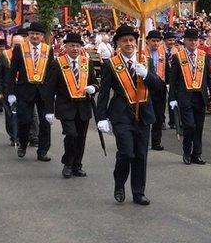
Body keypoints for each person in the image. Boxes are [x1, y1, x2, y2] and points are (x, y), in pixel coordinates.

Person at [95, 25, 165, 205]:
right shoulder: (111, 64)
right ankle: (119, 184)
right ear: (118, 43)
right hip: (121, 114)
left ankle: (138, 192)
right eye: (124, 40)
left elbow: (158, 86)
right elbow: (103, 93)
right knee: (126, 153)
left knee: (141, 155)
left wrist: (146, 74)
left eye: (131, 40)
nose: (129, 43)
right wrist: (101, 117)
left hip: (144, 114)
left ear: (136, 42)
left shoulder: (146, 61)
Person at [44, 32, 98, 179]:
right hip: (65, 106)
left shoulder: (87, 62)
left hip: (83, 107)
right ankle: (68, 163)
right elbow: (50, 88)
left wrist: (93, 88)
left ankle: (77, 165)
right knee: (71, 135)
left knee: (81, 138)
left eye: (77, 45)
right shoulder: (57, 63)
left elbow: (94, 81)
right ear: (66, 47)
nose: (75, 48)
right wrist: (48, 110)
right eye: (72, 45)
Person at [5, 22, 54, 161]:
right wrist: (11, 92)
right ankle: (23, 144)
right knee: (25, 121)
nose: (35, 36)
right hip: (24, 90)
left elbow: (51, 72)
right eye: (32, 33)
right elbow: (12, 71)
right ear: (28, 35)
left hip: (44, 92)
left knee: (45, 123)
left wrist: (54, 91)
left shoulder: (48, 49)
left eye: (37, 34)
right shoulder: (20, 49)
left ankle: (43, 151)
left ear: (42, 36)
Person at [169, 28, 211, 164]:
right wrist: (172, 98)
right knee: (189, 125)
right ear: (184, 41)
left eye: (195, 40)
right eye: (190, 40)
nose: (193, 42)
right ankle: (186, 151)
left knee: (199, 127)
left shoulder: (204, 56)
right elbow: (173, 80)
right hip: (185, 96)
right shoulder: (177, 57)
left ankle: (196, 154)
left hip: (200, 97)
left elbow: (209, 77)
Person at [143, 30, 168, 151]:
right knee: (147, 114)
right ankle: (144, 140)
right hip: (147, 87)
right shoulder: (141, 53)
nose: (155, 43)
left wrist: (168, 83)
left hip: (160, 86)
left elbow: (166, 68)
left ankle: (156, 141)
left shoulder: (162, 52)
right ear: (147, 41)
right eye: (153, 40)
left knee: (159, 115)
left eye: (158, 41)